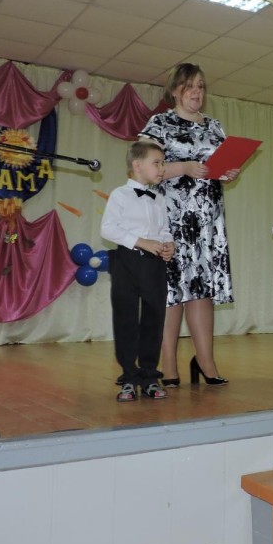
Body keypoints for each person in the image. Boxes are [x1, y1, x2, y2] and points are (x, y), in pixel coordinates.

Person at [140, 63, 238, 386]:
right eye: (189, 86)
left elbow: (220, 166)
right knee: (171, 292)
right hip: (171, 221)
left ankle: (206, 362)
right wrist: (184, 167)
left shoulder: (214, 126)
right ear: (175, 91)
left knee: (201, 291)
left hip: (207, 223)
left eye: (201, 86)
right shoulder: (160, 123)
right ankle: (168, 364)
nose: (197, 92)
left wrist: (228, 171)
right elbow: (144, 168)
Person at [100, 140, 175, 401]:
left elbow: (164, 230)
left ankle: (150, 375)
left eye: (163, 163)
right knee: (126, 318)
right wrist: (141, 242)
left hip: (154, 264)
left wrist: (169, 245)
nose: (162, 168)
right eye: (157, 163)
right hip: (126, 262)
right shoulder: (119, 195)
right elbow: (108, 229)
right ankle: (129, 376)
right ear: (137, 165)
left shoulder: (159, 198)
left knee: (154, 318)